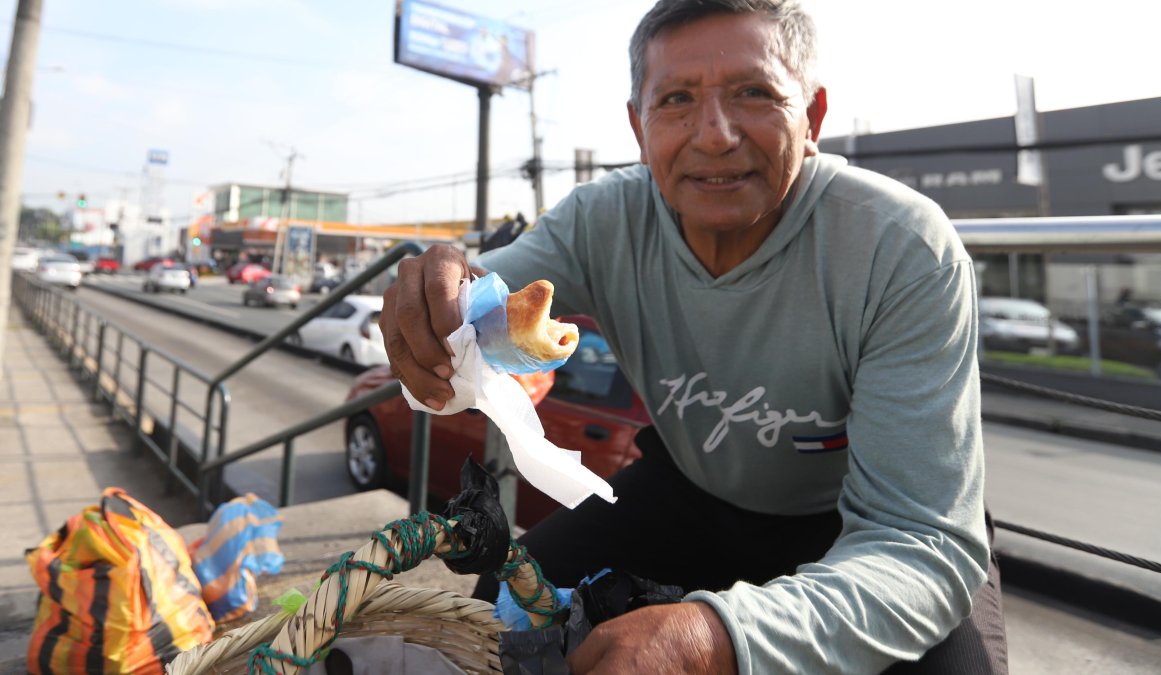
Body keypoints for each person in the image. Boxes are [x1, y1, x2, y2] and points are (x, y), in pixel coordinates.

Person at [381, 0, 1007, 672]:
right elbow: (476, 302)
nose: (713, 134)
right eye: (676, 99)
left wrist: (714, 634)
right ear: (638, 127)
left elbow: (920, 538)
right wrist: (435, 300)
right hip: (690, 491)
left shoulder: (899, 246)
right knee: (510, 599)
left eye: (754, 93)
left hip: (859, 523)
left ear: (814, 116)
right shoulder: (603, 221)